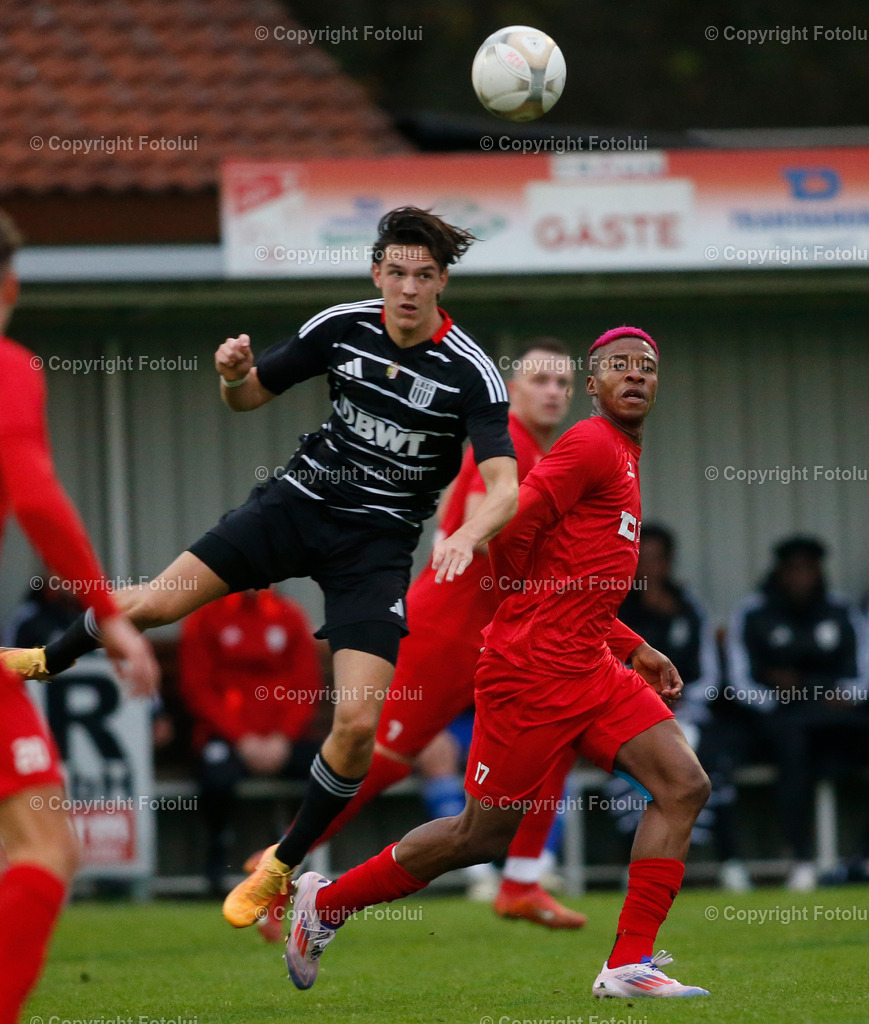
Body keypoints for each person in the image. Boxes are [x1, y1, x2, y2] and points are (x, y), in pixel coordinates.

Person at [0, 207, 519, 931]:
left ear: (441, 283)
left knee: (358, 727)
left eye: (423, 276)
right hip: (295, 505)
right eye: (395, 272)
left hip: (374, 549)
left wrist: (466, 532)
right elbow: (247, 400)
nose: (407, 288)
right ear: (376, 273)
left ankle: (279, 865)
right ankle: (38, 662)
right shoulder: (342, 324)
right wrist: (232, 376)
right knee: (152, 605)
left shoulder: (470, 370)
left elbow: (505, 486)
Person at [281, 326, 712, 999]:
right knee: (478, 835)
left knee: (683, 785)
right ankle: (325, 904)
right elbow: (509, 522)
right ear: (593, 387)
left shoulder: (622, 453)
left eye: (646, 367)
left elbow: (576, 574)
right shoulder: (591, 442)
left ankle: (627, 963)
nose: (634, 376)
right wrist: (516, 597)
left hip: (589, 668)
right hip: (531, 671)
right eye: (617, 368)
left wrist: (630, 645)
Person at [253, 339, 583, 937]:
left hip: (493, 636)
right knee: (378, 763)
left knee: (560, 731)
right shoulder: (504, 441)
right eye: (541, 380)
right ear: (515, 386)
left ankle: (522, 881)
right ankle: (278, 862)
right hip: (445, 633)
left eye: (563, 383)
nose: (555, 392)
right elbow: (484, 525)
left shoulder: (537, 451)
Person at [0, 210, 158, 1024]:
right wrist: (111, 614)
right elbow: (34, 495)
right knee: (47, 848)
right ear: (12, 286)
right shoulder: (10, 368)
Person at [726, 535, 869, 890]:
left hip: (836, 714)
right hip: (781, 720)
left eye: (809, 569)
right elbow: (738, 680)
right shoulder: (754, 612)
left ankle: (868, 855)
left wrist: (848, 694)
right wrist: (774, 698)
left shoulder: (841, 609)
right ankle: (802, 860)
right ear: (780, 572)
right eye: (793, 569)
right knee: (791, 745)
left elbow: (867, 667)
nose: (801, 577)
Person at [605, 524, 751, 890]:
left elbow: (712, 677)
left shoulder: (690, 608)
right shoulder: (614, 608)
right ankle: (633, 866)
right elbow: (602, 666)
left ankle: (730, 862)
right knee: (635, 773)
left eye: (658, 559)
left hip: (688, 713)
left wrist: (681, 695)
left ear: (670, 563)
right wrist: (642, 699)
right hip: (628, 715)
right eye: (643, 559)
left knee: (709, 764)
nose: (649, 568)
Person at [178, 589, 324, 894]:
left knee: (329, 772)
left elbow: (306, 684)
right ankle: (218, 858)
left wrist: (283, 737)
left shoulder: (289, 615)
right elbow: (197, 687)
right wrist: (241, 738)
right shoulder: (206, 617)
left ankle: (302, 857)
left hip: (283, 740)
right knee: (216, 777)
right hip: (228, 739)